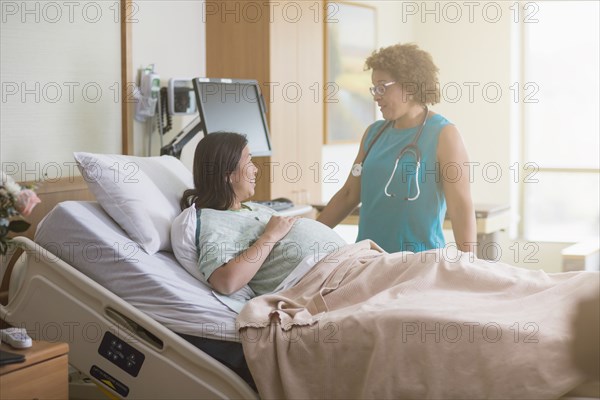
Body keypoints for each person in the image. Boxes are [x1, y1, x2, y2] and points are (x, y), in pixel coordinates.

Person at [317, 43, 476, 254]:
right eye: (374, 88)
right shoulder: (374, 134)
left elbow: (460, 208)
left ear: (410, 86)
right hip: (370, 261)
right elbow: (348, 195)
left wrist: (469, 266)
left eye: (382, 87)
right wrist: (309, 235)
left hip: (419, 264)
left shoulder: (444, 135)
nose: (376, 96)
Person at [179, 131, 346, 296]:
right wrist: (269, 237)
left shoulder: (251, 207)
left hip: (344, 262)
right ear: (227, 174)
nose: (256, 170)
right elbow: (226, 282)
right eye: (249, 161)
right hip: (326, 280)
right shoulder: (213, 221)